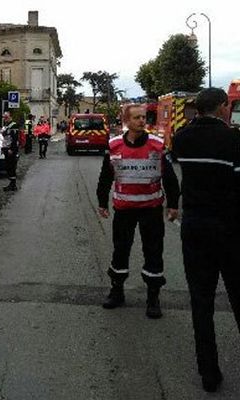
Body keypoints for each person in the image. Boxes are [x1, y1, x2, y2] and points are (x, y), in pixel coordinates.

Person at [172, 87, 240, 393]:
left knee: (201, 301)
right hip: (230, 228)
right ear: (223, 107)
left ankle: (209, 373)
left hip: (195, 227)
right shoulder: (233, 140)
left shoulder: (183, 139)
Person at [96, 103, 180, 319]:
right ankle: (117, 291)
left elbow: (169, 178)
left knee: (153, 252)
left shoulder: (157, 145)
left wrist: (173, 204)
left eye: (144, 117)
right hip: (124, 210)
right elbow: (106, 176)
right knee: (120, 250)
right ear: (127, 121)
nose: (142, 121)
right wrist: (102, 202)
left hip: (151, 210)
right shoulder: (114, 146)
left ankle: (153, 297)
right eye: (136, 118)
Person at [1, 112, 19, 191]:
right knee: (8, 167)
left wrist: (12, 149)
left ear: (10, 117)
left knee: (11, 167)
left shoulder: (13, 125)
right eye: (4, 117)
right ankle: (11, 183)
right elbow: (5, 138)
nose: (5, 119)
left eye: (6, 117)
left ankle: (13, 185)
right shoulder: (6, 126)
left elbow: (15, 139)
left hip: (10, 149)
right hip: (6, 148)